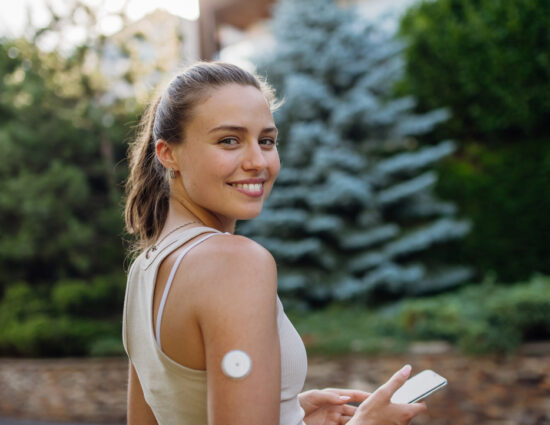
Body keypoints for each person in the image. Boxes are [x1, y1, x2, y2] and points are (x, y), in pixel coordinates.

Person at [122, 61, 427, 425]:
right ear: (168, 153)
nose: (258, 161)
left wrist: (288, 412)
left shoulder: (145, 269)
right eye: (229, 140)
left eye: (266, 140)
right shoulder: (236, 262)